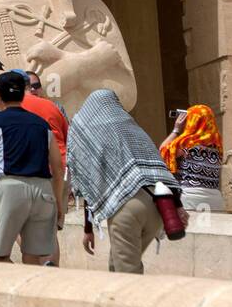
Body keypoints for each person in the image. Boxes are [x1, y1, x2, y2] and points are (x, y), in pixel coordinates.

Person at [68, 90, 188, 273]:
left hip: (126, 208)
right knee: (116, 267)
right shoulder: (133, 129)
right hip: (157, 206)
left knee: (127, 275)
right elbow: (160, 170)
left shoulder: (87, 131)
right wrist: (178, 205)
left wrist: (88, 228)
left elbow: (88, 184)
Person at [0, 71, 64, 264]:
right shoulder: (42, 125)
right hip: (43, 190)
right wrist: (59, 202)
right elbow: (58, 167)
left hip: (10, 188)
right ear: (23, 94)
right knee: (33, 256)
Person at [159, 105, 225, 213]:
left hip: (191, 200)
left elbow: (162, 152)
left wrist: (176, 130)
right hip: (216, 201)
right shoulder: (218, 149)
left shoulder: (187, 146)